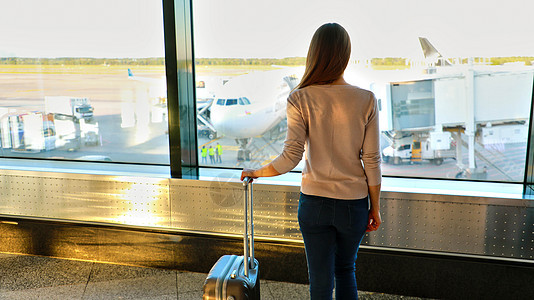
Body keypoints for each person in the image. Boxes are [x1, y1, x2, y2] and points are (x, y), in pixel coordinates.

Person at [241, 23, 382, 300]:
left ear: (314, 54)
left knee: (319, 281)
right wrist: (375, 207)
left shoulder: (299, 98)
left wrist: (256, 172)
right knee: (345, 270)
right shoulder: (366, 99)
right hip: (353, 205)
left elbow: (290, 157)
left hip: (314, 203)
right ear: (345, 54)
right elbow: (372, 161)